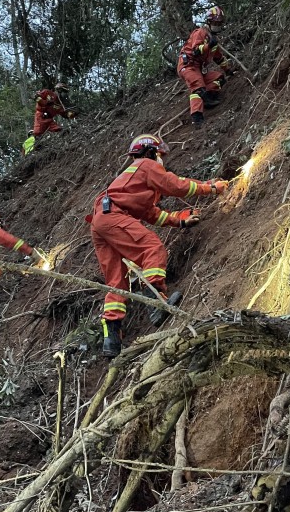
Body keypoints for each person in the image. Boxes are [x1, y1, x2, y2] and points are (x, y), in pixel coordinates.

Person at [88, 134, 227, 358]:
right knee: (152, 247)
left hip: (101, 221)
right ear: (151, 152)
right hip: (112, 216)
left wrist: (180, 221)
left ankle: (111, 339)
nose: (161, 160)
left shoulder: (132, 184)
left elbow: (152, 215)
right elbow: (177, 186)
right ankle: (156, 300)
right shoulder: (146, 165)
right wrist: (210, 188)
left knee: (116, 282)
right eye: (160, 155)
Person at [178, 6, 235, 128]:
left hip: (197, 68)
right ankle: (197, 118)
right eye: (215, 22)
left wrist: (228, 70)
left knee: (219, 78)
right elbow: (195, 51)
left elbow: (219, 58)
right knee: (197, 87)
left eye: (219, 23)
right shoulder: (200, 33)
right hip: (188, 66)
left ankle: (207, 97)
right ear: (209, 22)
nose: (217, 25)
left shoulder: (214, 40)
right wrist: (208, 45)